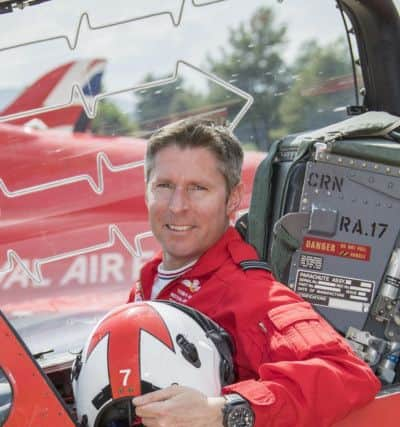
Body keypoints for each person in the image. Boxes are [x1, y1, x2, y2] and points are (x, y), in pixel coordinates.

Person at [128, 118, 380, 427]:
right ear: (146, 191)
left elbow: (347, 373)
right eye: (164, 186)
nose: (177, 206)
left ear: (232, 199)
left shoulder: (248, 293)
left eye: (198, 188)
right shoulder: (149, 282)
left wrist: (223, 411)